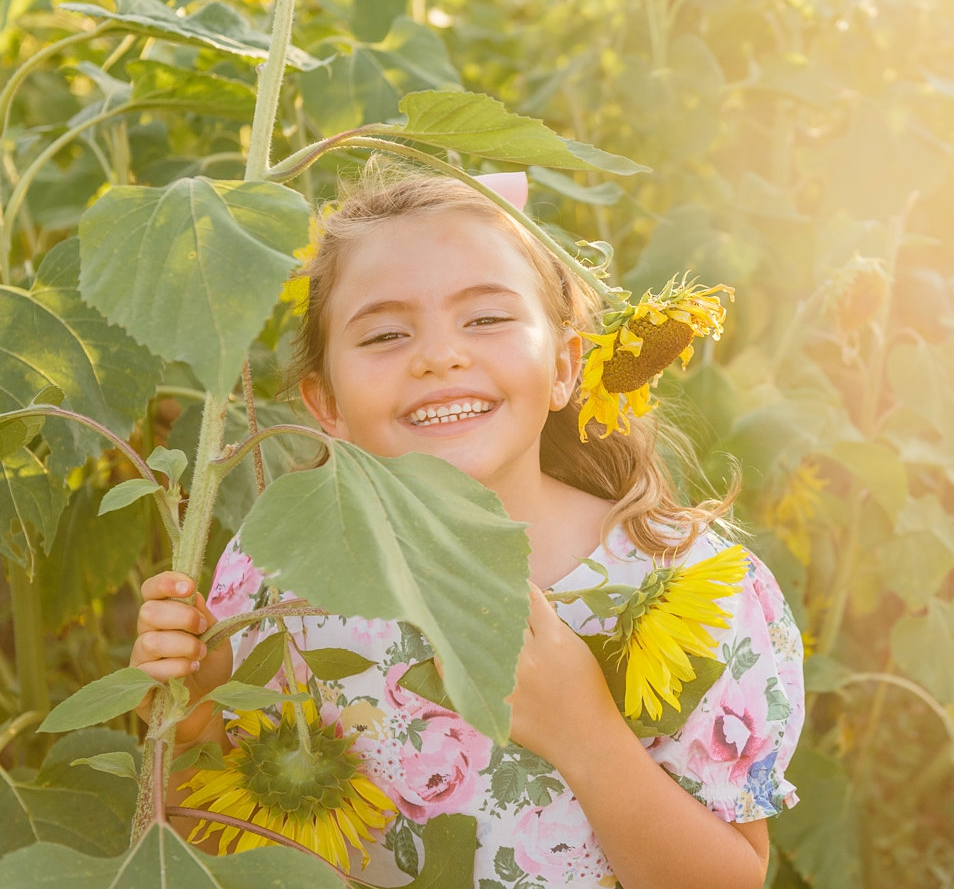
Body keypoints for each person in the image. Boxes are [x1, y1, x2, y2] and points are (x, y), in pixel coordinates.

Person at [129, 164, 804, 888]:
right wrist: (192, 717)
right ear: (326, 404)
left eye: (485, 318)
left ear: (564, 367)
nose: (440, 356)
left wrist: (587, 737)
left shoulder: (693, 584)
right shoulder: (275, 575)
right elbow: (209, 843)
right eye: (386, 334)